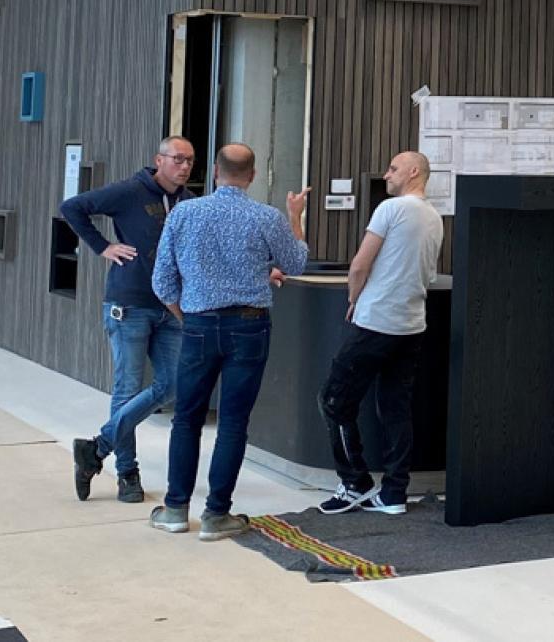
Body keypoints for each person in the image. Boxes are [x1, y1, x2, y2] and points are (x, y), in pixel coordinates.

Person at [148, 143, 309, 540]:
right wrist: (295, 216)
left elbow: (162, 282)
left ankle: (174, 509)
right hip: (250, 327)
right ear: (251, 176)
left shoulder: (184, 213)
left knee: (186, 418)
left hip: (198, 325)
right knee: (233, 422)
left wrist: (188, 318)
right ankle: (217, 514)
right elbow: (296, 263)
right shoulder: (267, 217)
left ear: (216, 172)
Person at [58, 137, 195, 504]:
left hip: (171, 307)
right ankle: (127, 473)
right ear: (159, 160)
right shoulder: (130, 191)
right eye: (178, 159)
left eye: (190, 161)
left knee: (171, 385)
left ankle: (96, 449)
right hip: (129, 305)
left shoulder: (188, 201)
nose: (184, 166)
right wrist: (103, 247)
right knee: (128, 389)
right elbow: (72, 207)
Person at [317, 150, 444, 516]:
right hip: (411, 324)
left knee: (334, 400)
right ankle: (393, 493)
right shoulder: (434, 217)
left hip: (377, 321)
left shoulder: (391, 209)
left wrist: (354, 299)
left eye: (393, 168)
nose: (386, 175)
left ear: (414, 172)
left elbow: (360, 265)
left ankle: (354, 482)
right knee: (395, 408)